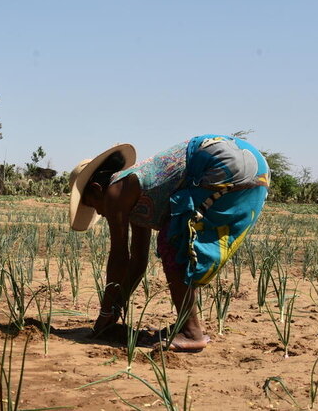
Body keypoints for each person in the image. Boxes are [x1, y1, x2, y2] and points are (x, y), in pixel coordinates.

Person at [69, 134, 270, 351]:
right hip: (254, 166)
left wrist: (105, 313)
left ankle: (192, 333)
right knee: (183, 243)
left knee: (173, 243)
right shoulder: (134, 190)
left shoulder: (115, 192)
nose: (99, 212)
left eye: (93, 204)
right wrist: (115, 309)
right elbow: (138, 261)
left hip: (222, 161)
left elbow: (119, 256)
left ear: (98, 189)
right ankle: (187, 325)